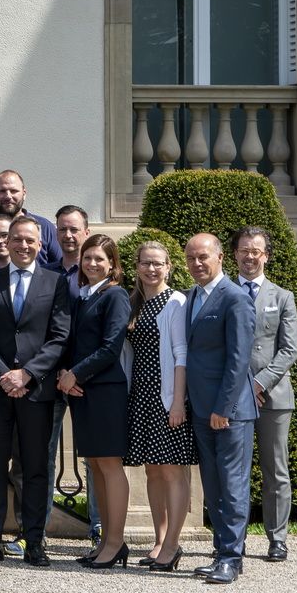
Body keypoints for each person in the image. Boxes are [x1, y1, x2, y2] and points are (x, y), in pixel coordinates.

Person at [0, 215, 73, 566]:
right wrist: (4, 375)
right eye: (17, 239)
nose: (23, 245)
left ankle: (34, 542)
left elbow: (59, 336)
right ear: (6, 242)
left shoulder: (55, 282)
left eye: (30, 240)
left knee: (35, 468)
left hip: (36, 391)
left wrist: (27, 374)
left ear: (40, 244)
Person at [182, 232, 258, 585]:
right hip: (201, 409)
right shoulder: (192, 296)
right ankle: (222, 551)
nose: (197, 263)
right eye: (191, 258)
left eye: (203, 257)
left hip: (229, 411)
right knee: (213, 486)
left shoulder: (235, 298)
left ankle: (231, 558)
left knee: (232, 484)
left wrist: (223, 407)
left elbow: (239, 359)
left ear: (220, 257)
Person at [57, 233, 132, 568]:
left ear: (112, 264)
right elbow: (74, 343)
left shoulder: (115, 295)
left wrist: (76, 374)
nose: (91, 263)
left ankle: (115, 542)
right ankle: (105, 540)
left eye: (99, 258)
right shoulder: (84, 296)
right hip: (83, 392)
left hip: (105, 391)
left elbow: (111, 347)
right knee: (97, 467)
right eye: (87, 258)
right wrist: (65, 372)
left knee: (110, 465)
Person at [122, 238, 193, 571]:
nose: (151, 268)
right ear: (137, 267)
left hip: (166, 396)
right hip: (142, 396)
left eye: (158, 263)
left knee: (171, 469)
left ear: (168, 267)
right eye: (145, 263)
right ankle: (159, 540)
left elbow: (181, 354)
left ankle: (173, 545)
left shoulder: (175, 301)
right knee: (152, 469)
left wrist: (178, 402)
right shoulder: (135, 302)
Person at [233, 226, 297, 562]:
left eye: (256, 251)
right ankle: (235, 538)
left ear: (266, 256)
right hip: (233, 396)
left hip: (273, 396)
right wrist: (242, 387)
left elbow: (289, 350)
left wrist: (258, 384)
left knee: (276, 470)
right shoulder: (224, 292)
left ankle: (277, 538)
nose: (250, 257)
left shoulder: (282, 296)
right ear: (234, 254)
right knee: (236, 471)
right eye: (244, 250)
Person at [0, 169, 63, 270]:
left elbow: (60, 267)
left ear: (24, 194)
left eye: (13, 191)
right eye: (2, 191)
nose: (8, 196)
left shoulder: (45, 227)